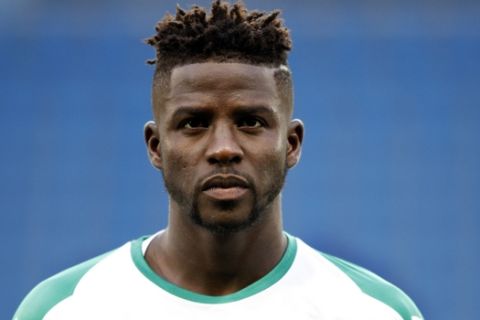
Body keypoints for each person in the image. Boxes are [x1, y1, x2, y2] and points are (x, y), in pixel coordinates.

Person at [14, 1, 423, 319]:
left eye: (250, 122)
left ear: (292, 143)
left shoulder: (371, 311)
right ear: (156, 146)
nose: (223, 148)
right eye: (194, 123)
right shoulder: (64, 309)